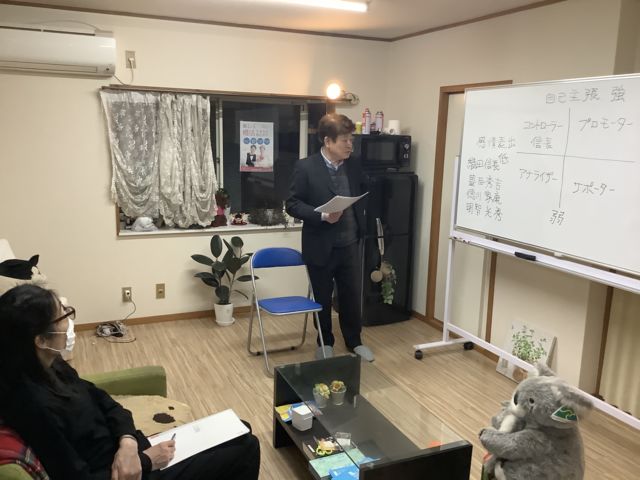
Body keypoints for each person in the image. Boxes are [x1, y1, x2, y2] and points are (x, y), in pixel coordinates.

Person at [0, 284, 260, 480]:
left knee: (239, 429)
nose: (69, 322)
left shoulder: (50, 364)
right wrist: (147, 461)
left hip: (131, 452)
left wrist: (128, 443)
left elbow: (105, 401)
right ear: (40, 340)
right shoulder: (33, 406)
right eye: (63, 317)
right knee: (247, 446)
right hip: (130, 473)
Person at [286, 113, 374, 362]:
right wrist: (322, 215)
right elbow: (292, 204)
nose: (350, 145)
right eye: (345, 140)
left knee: (351, 296)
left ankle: (354, 341)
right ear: (327, 141)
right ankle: (324, 342)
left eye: (351, 140)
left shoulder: (353, 164)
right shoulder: (305, 167)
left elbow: (363, 191)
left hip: (350, 242)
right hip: (320, 244)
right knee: (322, 297)